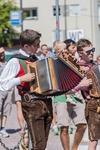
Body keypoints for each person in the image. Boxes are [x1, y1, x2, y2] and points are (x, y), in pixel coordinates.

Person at [0, 29, 53, 150]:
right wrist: (21, 79)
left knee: (42, 144)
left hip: (45, 102)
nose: (39, 47)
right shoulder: (15, 61)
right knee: (38, 145)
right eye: (36, 45)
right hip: (31, 104)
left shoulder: (37, 58)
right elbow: (2, 84)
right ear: (26, 46)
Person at [56, 39, 92, 150]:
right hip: (61, 97)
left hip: (76, 96)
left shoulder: (76, 61)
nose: (74, 50)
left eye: (74, 47)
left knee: (82, 125)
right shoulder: (56, 61)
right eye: (71, 47)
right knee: (64, 128)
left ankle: (74, 148)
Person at [77, 38, 100, 150]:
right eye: (88, 52)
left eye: (93, 50)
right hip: (92, 105)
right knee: (94, 139)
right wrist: (81, 84)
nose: (92, 53)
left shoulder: (96, 64)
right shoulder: (77, 67)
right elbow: (68, 88)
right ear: (80, 53)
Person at [0, 47, 13, 138]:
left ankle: (3, 128)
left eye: (3, 52)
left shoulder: (8, 64)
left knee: (6, 110)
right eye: (0, 53)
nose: (2, 54)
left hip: (8, 90)